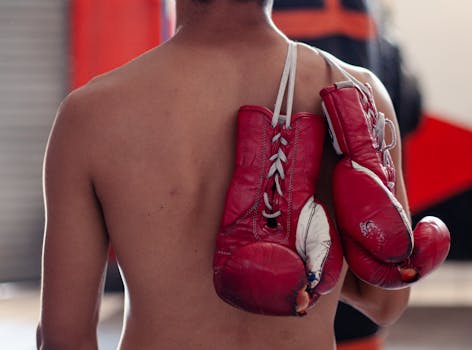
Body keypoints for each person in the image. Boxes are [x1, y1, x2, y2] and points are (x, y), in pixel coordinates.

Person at [37, 0, 410, 349]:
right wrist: (314, 265)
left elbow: (63, 338)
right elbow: (387, 300)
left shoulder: (91, 115)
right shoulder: (359, 94)